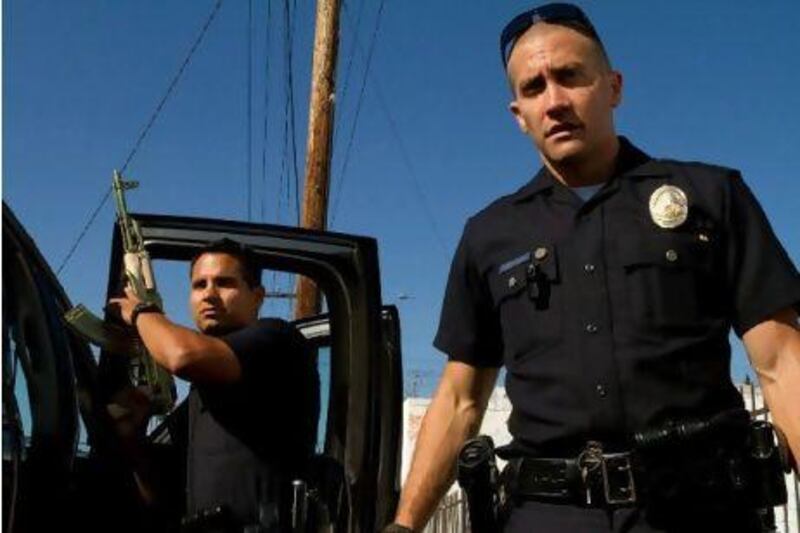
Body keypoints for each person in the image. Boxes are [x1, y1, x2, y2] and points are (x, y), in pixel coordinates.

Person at [388, 4, 800, 532]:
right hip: (547, 515)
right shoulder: (488, 235)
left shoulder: (711, 197)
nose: (555, 101)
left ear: (613, 87)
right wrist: (404, 525)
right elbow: (460, 399)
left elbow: (782, 364)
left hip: (701, 509)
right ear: (518, 114)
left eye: (570, 77)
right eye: (534, 88)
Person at [108, 238, 320, 532]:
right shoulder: (201, 394)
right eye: (199, 285)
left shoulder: (276, 339)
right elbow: (159, 494)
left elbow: (181, 356)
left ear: (257, 296)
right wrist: (131, 436)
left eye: (224, 283)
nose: (209, 294)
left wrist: (141, 311)